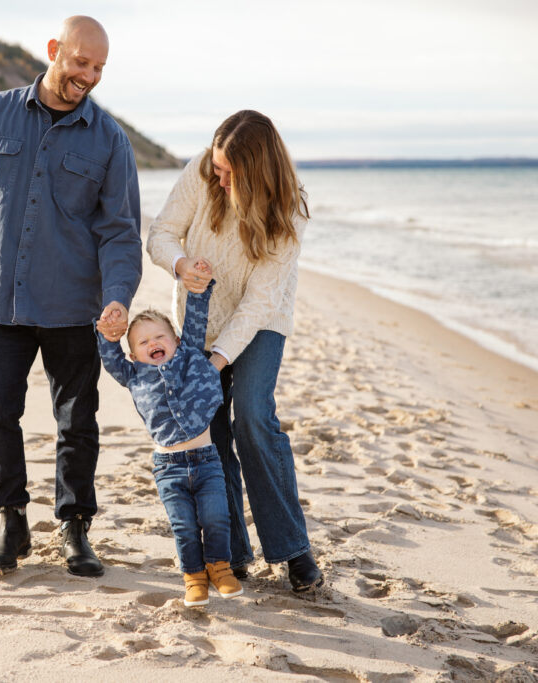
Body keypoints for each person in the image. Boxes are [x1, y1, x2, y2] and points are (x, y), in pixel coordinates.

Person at [0, 16, 142, 577]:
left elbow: (120, 231)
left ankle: (75, 528)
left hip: (76, 309)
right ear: (54, 51)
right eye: (80, 62)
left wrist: (118, 297)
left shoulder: (110, 139)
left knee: (77, 421)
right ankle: (11, 520)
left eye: (98, 68)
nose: (89, 77)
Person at [145, 110, 324, 593]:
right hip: (199, 315)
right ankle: (232, 552)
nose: (217, 177)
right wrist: (181, 265)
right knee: (212, 428)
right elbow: (160, 234)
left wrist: (217, 361)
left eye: (229, 173)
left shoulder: (290, 212)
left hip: (259, 320)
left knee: (250, 414)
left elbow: (260, 300)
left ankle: (292, 549)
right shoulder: (202, 170)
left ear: (257, 173)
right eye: (216, 168)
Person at [95, 278, 244, 606]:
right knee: (185, 527)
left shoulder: (188, 357)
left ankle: (219, 568)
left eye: (160, 336)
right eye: (144, 342)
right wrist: (107, 334)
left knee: (217, 517)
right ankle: (193, 577)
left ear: (175, 341)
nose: (153, 343)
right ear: (133, 355)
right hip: (169, 468)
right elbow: (110, 358)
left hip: (206, 459)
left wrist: (199, 289)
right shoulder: (133, 375)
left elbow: (195, 321)